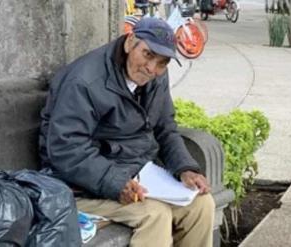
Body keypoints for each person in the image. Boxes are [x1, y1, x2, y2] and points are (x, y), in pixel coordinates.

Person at [39, 17, 215, 247]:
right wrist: (115, 182)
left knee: (202, 205)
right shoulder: (85, 81)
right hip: (80, 186)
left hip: (136, 174)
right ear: (131, 41)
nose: (152, 68)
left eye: (162, 62)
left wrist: (185, 167)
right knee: (155, 215)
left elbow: (165, 127)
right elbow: (65, 148)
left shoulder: (155, 77)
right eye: (148, 54)